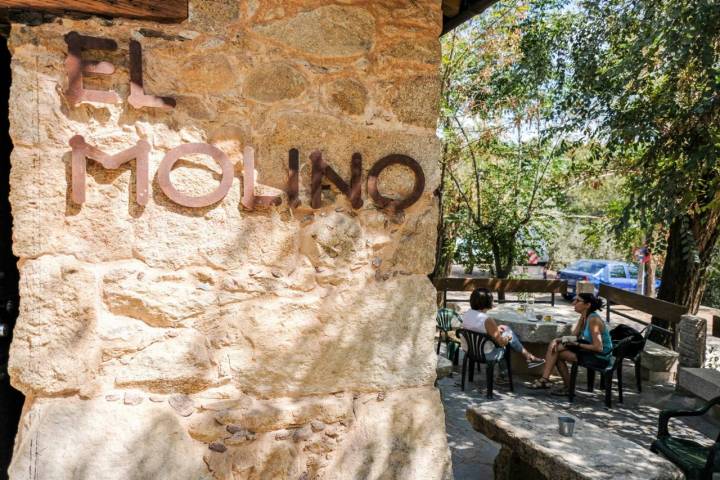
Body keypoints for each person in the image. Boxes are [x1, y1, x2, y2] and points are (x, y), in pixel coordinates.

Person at [529, 293, 613, 394]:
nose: (573, 303)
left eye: (578, 301)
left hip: (600, 357)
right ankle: (551, 381)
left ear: (588, 305)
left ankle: (555, 383)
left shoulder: (593, 320)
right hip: (590, 350)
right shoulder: (584, 316)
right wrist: (557, 340)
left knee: (558, 353)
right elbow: (574, 336)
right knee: (555, 346)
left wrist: (577, 345)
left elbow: (598, 347)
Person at [460, 288, 545, 372]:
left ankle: (528, 355)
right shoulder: (487, 320)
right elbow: (501, 343)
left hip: (469, 350)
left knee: (505, 328)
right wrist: (509, 337)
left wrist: (496, 329)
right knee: (507, 340)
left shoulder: (467, 313)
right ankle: (504, 374)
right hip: (486, 354)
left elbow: (476, 328)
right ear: (487, 302)